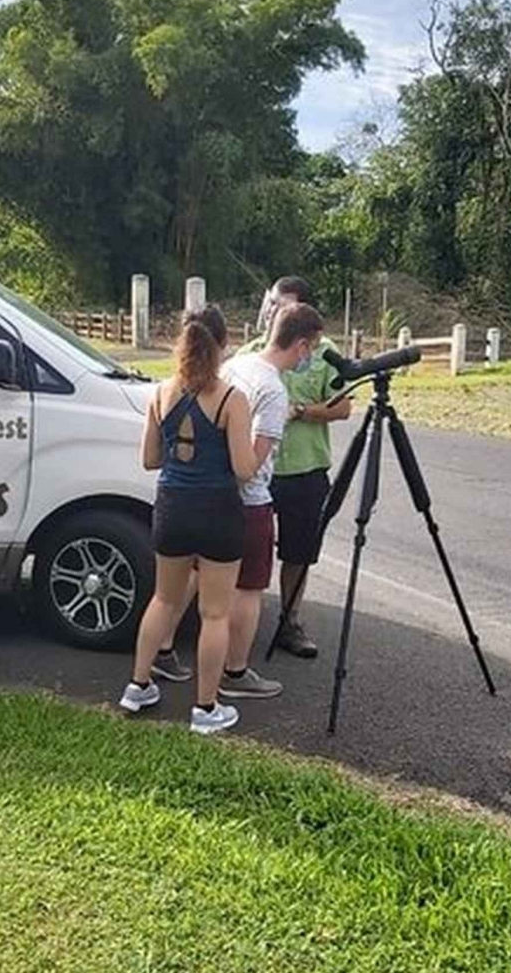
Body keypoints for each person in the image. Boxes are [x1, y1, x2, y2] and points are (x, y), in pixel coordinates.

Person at [119, 305, 259, 734]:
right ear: (223, 346)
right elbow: (243, 468)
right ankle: (205, 708)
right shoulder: (233, 399)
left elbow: (149, 459)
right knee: (214, 613)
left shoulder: (160, 393)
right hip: (218, 510)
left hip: (172, 506)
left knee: (163, 600)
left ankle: (137, 686)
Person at [216, 302, 326, 700]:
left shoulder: (236, 365)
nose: (310, 357)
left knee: (209, 585)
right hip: (249, 501)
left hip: (212, 494)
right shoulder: (274, 390)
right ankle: (235, 670)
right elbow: (254, 461)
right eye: (310, 348)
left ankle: (184, 657)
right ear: (299, 344)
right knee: (248, 589)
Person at [240, 276, 352, 657]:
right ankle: (235, 623)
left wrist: (300, 411)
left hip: (304, 469)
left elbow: (342, 408)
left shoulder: (324, 352)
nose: (271, 310)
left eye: (282, 305)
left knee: (298, 552)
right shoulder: (251, 353)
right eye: (270, 302)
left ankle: (289, 621)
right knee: (242, 547)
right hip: (256, 471)